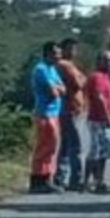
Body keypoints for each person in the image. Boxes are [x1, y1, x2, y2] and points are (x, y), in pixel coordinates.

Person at [54, 36, 90, 193]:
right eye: (71, 48)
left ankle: (61, 178)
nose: (74, 51)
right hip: (69, 109)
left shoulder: (69, 65)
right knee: (74, 146)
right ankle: (75, 179)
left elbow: (82, 80)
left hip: (73, 109)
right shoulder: (64, 65)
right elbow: (80, 83)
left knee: (66, 146)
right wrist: (81, 78)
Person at [28, 42, 65, 194]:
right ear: (48, 54)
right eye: (56, 53)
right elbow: (54, 93)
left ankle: (48, 178)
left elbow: (63, 89)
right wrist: (57, 89)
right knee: (43, 147)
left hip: (54, 114)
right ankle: (38, 180)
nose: (59, 56)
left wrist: (58, 88)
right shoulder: (41, 69)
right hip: (44, 114)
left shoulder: (53, 70)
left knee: (52, 148)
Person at [87, 51, 110, 194]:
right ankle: (92, 181)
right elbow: (99, 98)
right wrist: (107, 118)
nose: (109, 63)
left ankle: (98, 180)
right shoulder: (97, 77)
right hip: (98, 120)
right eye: (106, 60)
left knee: (105, 152)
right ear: (99, 61)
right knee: (97, 152)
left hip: (105, 119)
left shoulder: (107, 77)